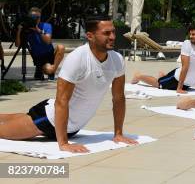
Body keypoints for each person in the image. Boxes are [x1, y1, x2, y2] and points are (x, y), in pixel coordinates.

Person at [0, 16, 138, 153]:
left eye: (113, 32)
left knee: (15, 118)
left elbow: (119, 98)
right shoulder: (77, 58)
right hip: (49, 120)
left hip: (72, 128)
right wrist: (64, 143)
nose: (113, 37)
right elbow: (61, 101)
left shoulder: (117, 60)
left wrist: (118, 134)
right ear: (90, 36)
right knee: (3, 132)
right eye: (106, 33)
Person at [130, 23, 195, 93]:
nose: (190, 36)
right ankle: (139, 76)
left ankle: (162, 75)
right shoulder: (187, 44)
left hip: (189, 82)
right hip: (176, 78)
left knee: (163, 80)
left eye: (193, 34)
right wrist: (179, 88)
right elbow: (185, 67)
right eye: (190, 34)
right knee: (158, 84)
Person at [15, 7, 66, 80]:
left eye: (37, 17)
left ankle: (51, 71)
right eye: (33, 17)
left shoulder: (46, 25)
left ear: (40, 17)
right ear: (29, 17)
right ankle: (45, 70)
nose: (35, 19)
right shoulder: (26, 28)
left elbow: (48, 41)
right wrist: (19, 31)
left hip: (50, 54)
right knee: (48, 69)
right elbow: (17, 45)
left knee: (61, 47)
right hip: (39, 58)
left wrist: (38, 30)